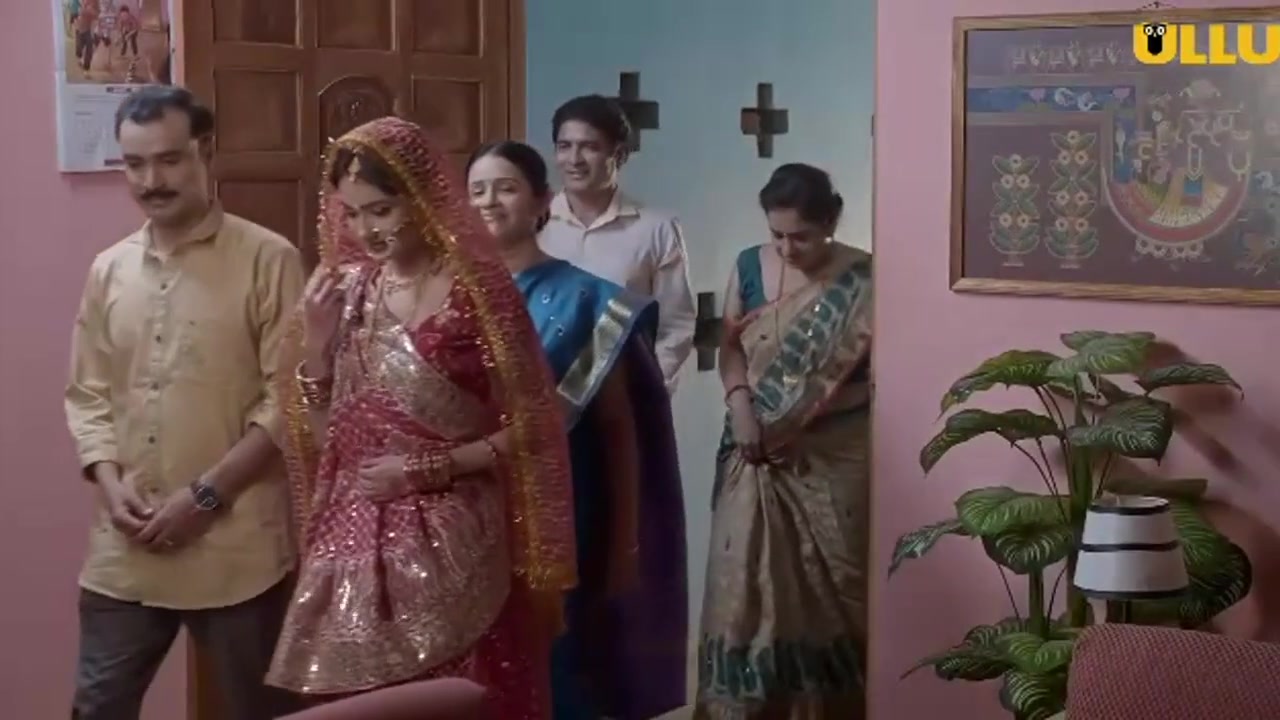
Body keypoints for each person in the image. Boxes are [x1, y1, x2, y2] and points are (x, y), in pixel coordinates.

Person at [266, 117, 578, 720]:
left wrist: (428, 469)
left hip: (460, 540)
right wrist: (317, 351)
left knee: (467, 697)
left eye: (381, 210)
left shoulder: (478, 292)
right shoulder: (345, 294)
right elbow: (332, 445)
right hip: (355, 544)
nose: (365, 230)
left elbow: (536, 424)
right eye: (351, 214)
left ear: (420, 197)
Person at [65, 85, 305, 720]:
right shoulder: (109, 271)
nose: (151, 181)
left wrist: (205, 497)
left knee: (259, 710)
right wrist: (108, 481)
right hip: (127, 546)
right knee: (97, 707)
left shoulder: (268, 259)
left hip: (237, 549)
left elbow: (290, 398)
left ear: (205, 152)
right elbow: (87, 393)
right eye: (135, 164)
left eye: (169, 160)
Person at [466, 140, 689, 719]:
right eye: (477, 191)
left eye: (506, 188)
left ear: (543, 202)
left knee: (559, 674)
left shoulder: (589, 302)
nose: (489, 202)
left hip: (564, 517)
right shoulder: (448, 300)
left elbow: (618, 431)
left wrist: (626, 541)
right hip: (467, 520)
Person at [695, 164, 871, 719]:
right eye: (777, 235)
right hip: (753, 450)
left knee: (833, 588)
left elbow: (882, 376)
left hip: (834, 455)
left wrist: (802, 414)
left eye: (802, 237)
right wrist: (742, 407)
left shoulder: (865, 281)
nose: (787, 250)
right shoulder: (749, 266)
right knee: (743, 586)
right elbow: (730, 348)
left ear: (832, 222)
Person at [539, 94, 696, 393]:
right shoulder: (535, 223)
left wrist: (648, 392)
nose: (574, 159)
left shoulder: (656, 228)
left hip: (625, 397)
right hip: (544, 397)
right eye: (564, 146)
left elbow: (675, 326)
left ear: (620, 154)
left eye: (589, 147)